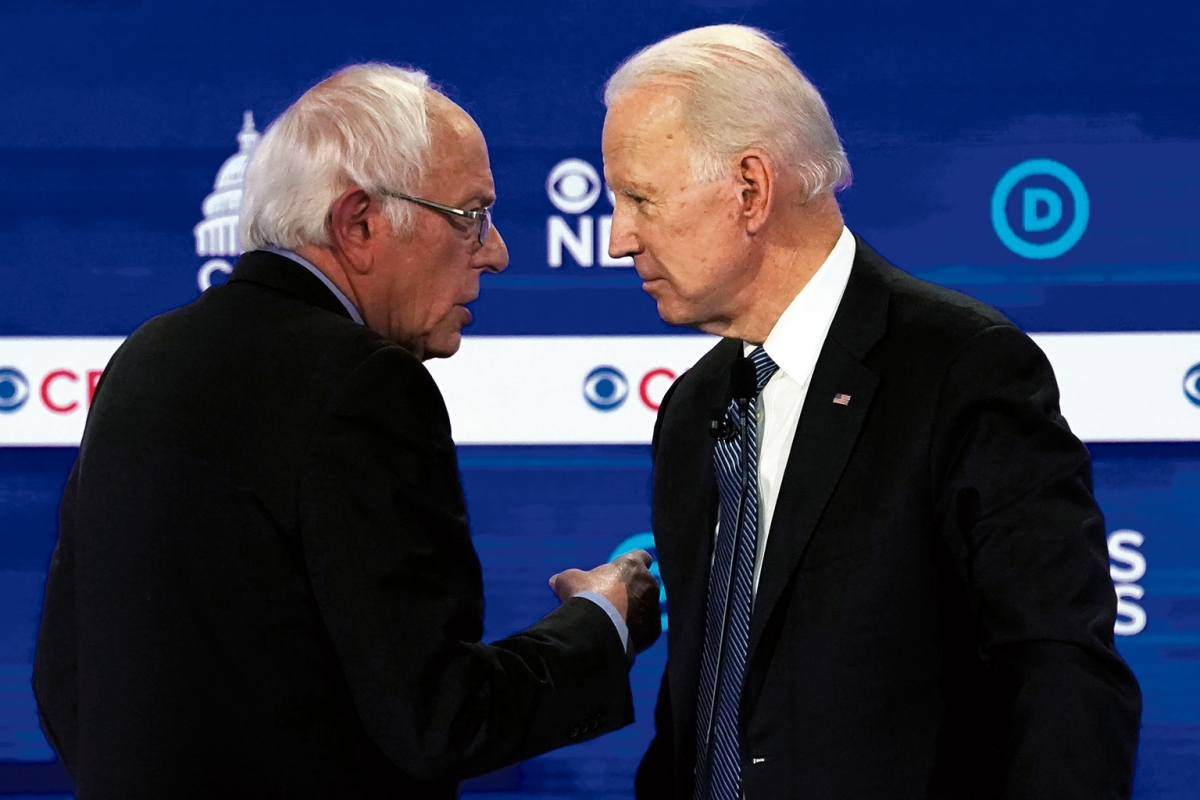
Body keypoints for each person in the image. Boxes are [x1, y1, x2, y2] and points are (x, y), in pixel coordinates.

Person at [33, 63, 660, 799]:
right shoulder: (363, 382)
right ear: (359, 223)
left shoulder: (147, 357)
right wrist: (599, 623)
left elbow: (64, 683)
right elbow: (439, 719)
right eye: (470, 215)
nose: (496, 251)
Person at [602, 25, 1142, 800]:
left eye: (640, 199)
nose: (618, 238)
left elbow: (1060, 678)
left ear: (750, 188)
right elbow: (703, 710)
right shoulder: (693, 409)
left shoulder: (961, 369)